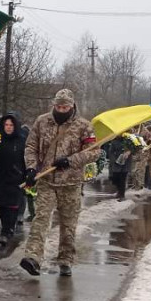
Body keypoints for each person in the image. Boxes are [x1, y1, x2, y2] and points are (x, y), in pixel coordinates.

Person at [20, 89, 96, 278]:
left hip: (71, 183)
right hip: (46, 181)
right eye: (58, 106)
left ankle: (65, 259)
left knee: (68, 224)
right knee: (41, 218)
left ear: (72, 106)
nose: (61, 110)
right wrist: (31, 168)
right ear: (53, 105)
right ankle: (33, 257)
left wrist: (71, 160)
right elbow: (30, 146)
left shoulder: (84, 126)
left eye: (65, 107)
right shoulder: (42, 121)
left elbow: (94, 151)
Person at [0, 112, 28, 244]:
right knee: (3, 206)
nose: (8, 127)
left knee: (13, 205)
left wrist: (28, 173)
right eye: (6, 125)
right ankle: (6, 227)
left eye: (11, 125)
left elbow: (27, 158)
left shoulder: (22, 140)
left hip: (16, 177)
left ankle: (7, 231)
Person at [103, 132, 143, 201]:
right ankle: (119, 190)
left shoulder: (129, 139)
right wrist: (114, 160)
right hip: (116, 161)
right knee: (115, 178)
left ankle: (122, 195)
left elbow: (137, 148)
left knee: (122, 178)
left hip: (126, 162)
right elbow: (111, 151)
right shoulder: (114, 141)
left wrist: (129, 152)